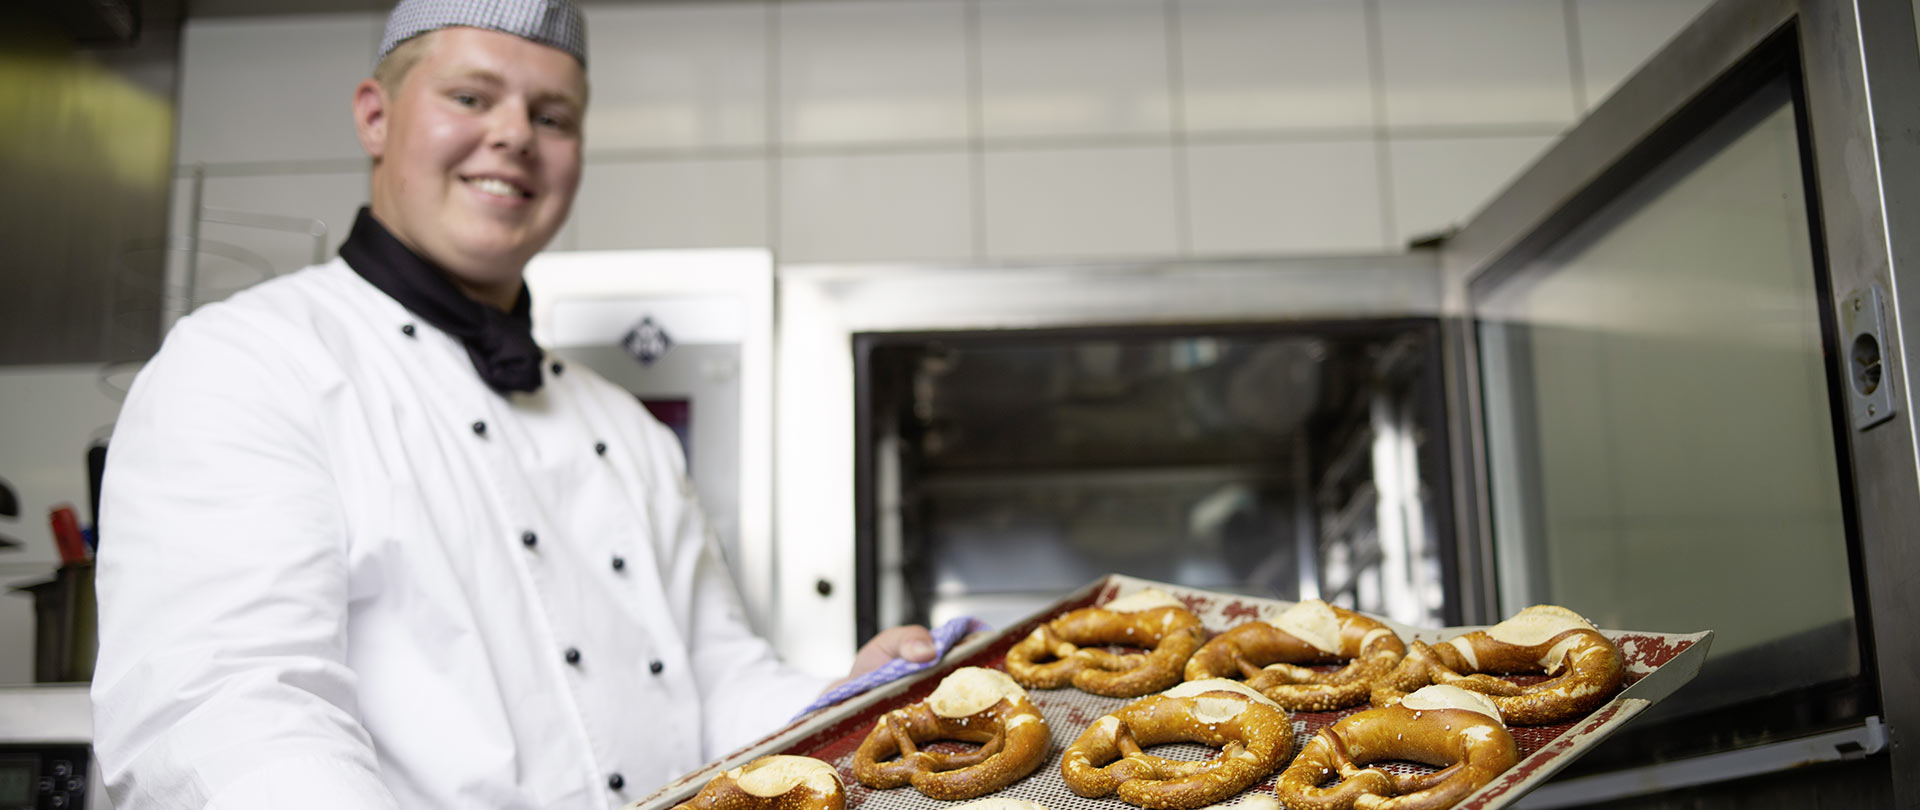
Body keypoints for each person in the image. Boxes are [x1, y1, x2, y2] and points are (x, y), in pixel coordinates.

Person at [89, 2, 935, 807]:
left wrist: (841, 699)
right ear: (375, 116)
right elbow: (225, 717)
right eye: (470, 97)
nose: (515, 137)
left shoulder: (626, 430)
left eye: (553, 116)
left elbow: (717, 683)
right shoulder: (248, 364)